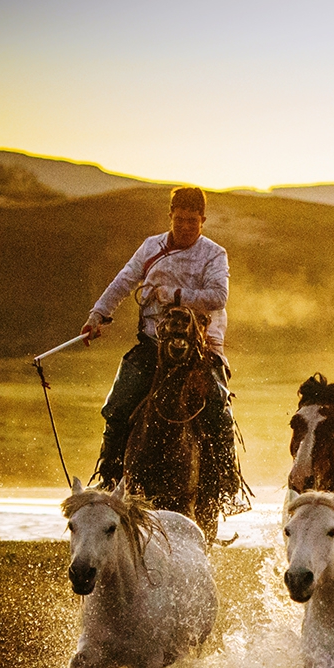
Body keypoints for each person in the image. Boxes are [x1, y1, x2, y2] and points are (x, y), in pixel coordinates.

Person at [81, 185, 234, 490]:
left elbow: (218, 296)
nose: (186, 227)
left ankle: (223, 482)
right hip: (154, 342)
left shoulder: (214, 254)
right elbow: (124, 281)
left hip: (200, 346)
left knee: (218, 408)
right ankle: (109, 476)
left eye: (193, 221)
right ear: (170, 216)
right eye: (180, 220)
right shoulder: (151, 247)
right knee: (118, 404)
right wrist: (97, 315)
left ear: (202, 220)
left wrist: (174, 295)